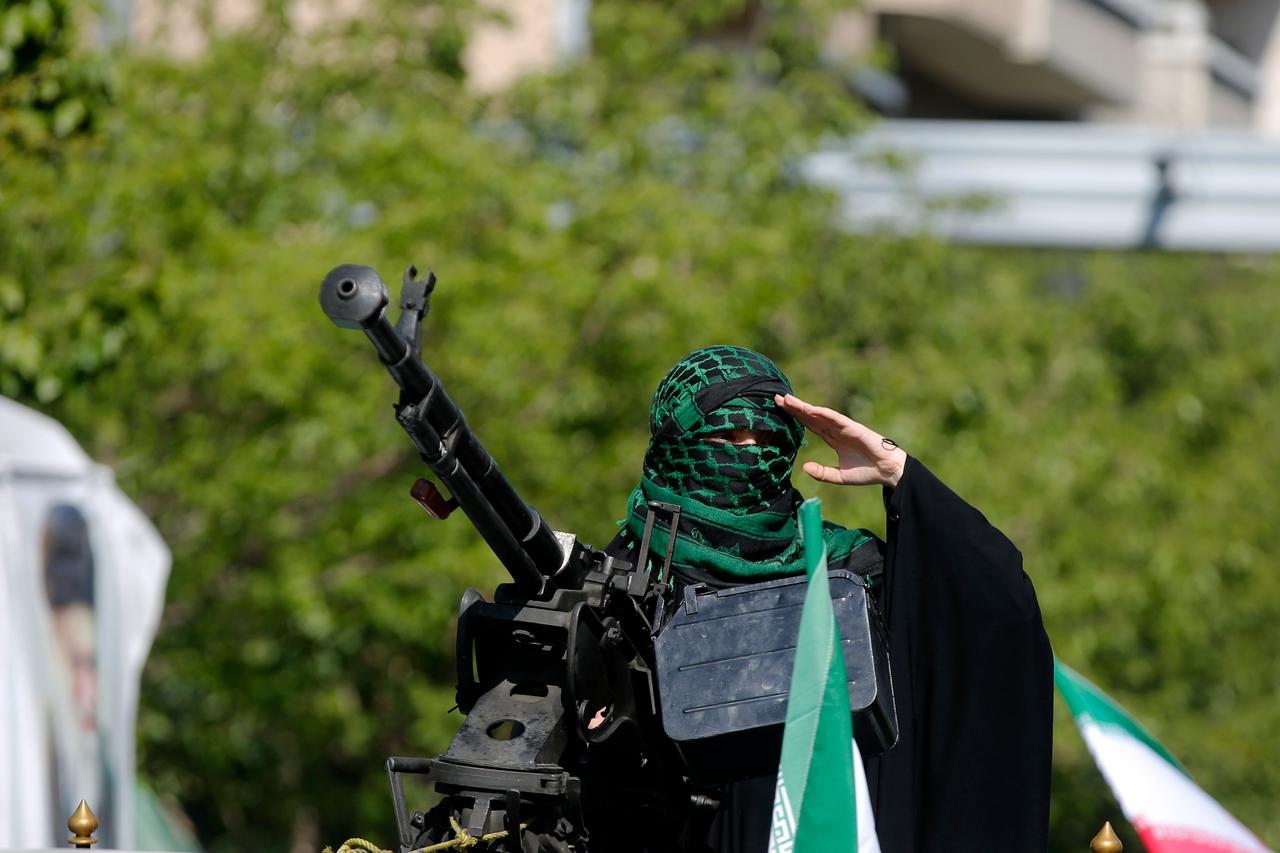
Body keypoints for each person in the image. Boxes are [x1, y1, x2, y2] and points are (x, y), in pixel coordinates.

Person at [608, 345, 1054, 853]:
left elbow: (997, 610)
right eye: (726, 435)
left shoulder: (845, 570)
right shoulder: (624, 576)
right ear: (676, 441)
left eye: (768, 437)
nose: (749, 449)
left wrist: (898, 470)